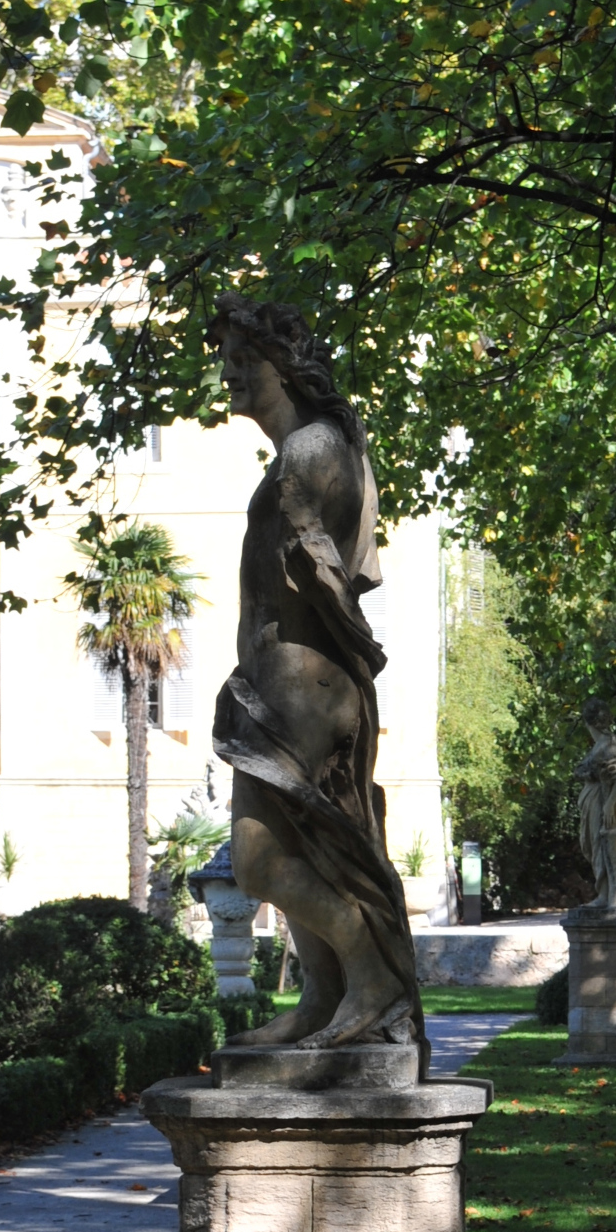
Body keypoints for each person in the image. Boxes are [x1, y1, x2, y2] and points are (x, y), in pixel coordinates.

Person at [206, 294, 425, 1057]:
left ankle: (373, 977)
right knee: (298, 852)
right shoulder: (308, 449)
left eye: (244, 359)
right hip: (278, 684)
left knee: (261, 857)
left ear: (285, 366)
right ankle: (326, 993)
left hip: (303, 687)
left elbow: (326, 572)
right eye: (226, 359)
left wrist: (353, 652)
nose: (230, 373)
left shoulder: (312, 452)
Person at [574, 697, 616, 917]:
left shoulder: (609, 744)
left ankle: (612, 895)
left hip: (602, 803)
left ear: (588, 722)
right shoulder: (599, 745)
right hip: (594, 802)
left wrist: (610, 805)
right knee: (594, 847)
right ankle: (604, 893)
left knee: (603, 847)